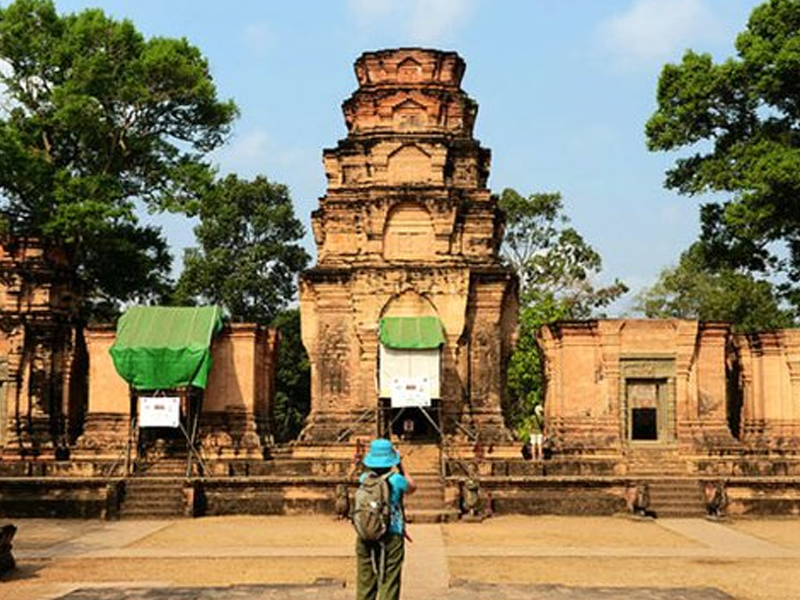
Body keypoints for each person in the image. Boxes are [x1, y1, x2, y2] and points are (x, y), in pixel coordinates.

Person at [356, 438, 417, 600]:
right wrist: (402, 467)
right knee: (389, 580)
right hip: (391, 534)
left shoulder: (364, 479)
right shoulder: (396, 480)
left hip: (365, 532)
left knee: (365, 580)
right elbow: (412, 487)